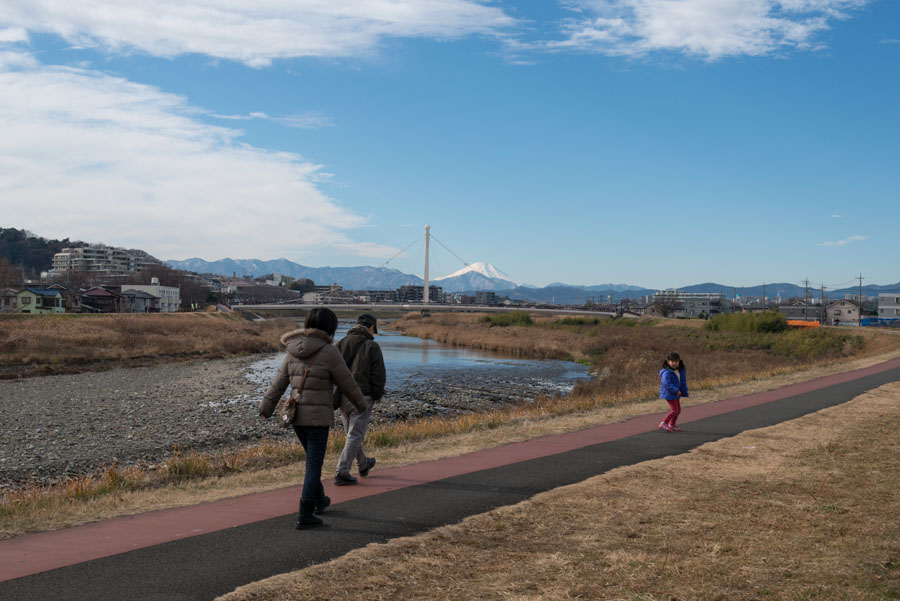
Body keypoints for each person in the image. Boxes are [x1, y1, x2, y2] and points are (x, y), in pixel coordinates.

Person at [259, 308, 367, 529]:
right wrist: (361, 405)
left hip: (296, 418)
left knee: (312, 462)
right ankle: (305, 514)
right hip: (318, 420)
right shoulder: (329, 351)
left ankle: (319, 501)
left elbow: (278, 383)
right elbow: (347, 382)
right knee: (313, 466)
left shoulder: (292, 351)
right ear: (330, 327)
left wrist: (266, 408)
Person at [333, 313, 386, 485]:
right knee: (355, 435)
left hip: (342, 396)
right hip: (362, 397)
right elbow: (378, 375)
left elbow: (331, 371)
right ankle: (342, 472)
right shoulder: (372, 346)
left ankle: (363, 464)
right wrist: (377, 394)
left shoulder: (340, 344)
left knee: (351, 434)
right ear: (371, 327)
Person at [659, 352, 688, 432]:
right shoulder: (666, 372)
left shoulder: (679, 370)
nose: (674, 363)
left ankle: (672, 424)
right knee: (674, 410)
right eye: (672, 361)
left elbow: (682, 381)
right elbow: (666, 384)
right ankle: (664, 423)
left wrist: (683, 389)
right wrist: (675, 391)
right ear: (668, 362)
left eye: (676, 361)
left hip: (676, 393)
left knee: (678, 410)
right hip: (669, 393)